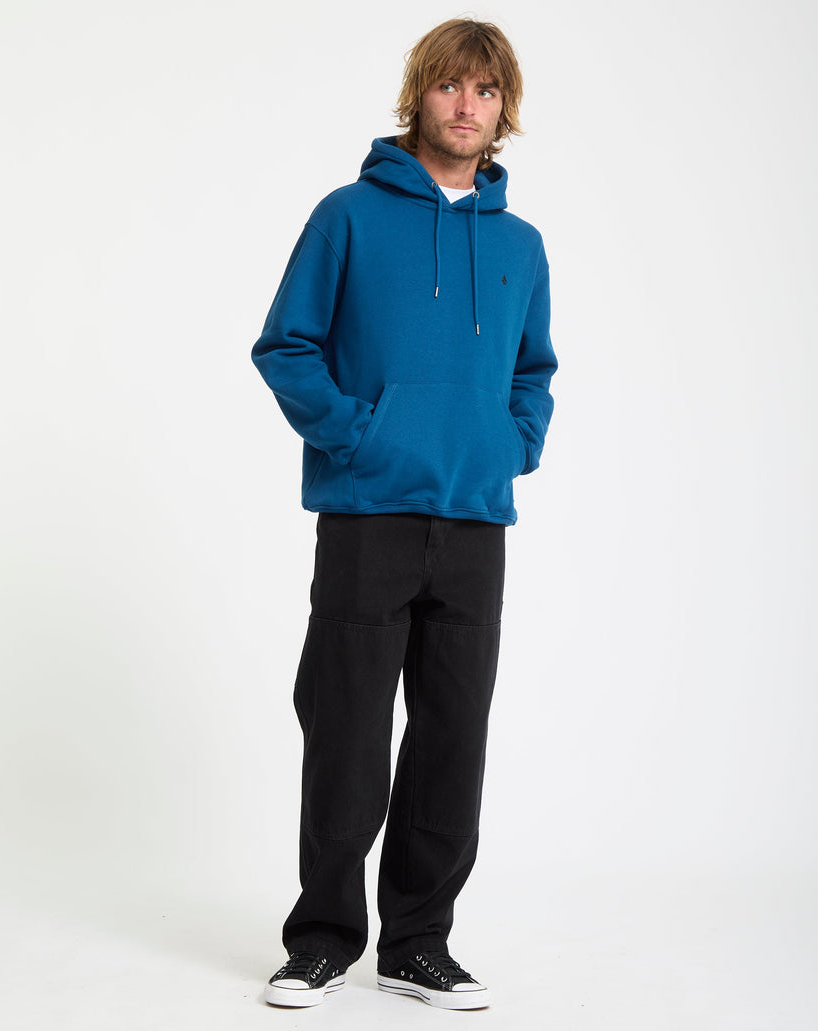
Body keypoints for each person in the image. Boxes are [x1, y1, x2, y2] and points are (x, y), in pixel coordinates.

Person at [251, 17, 557, 1010]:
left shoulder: (520, 244)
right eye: (449, 86)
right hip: (367, 514)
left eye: (486, 91)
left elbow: (533, 370)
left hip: (474, 518)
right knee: (345, 729)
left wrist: (512, 442)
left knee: (452, 738)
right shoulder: (347, 216)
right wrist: (357, 435)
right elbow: (286, 345)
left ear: (504, 110)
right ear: (418, 95)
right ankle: (323, 937)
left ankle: (418, 942)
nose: (467, 106)